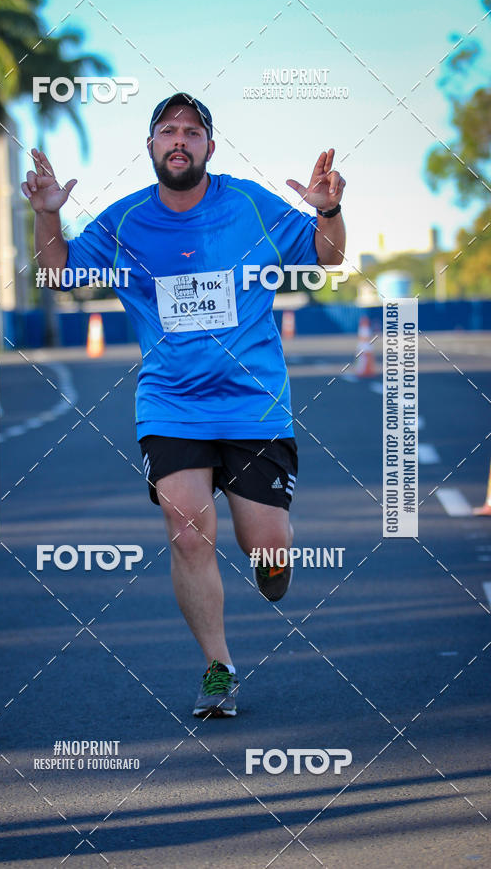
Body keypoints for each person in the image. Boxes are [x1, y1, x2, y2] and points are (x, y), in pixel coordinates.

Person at [21, 92, 346, 718]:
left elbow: (326, 257)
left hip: (254, 406)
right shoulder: (124, 223)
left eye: (191, 132)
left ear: (209, 147)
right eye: (166, 131)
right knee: (189, 532)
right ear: (149, 147)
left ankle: (273, 563)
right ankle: (218, 669)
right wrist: (46, 216)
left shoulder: (250, 206)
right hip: (171, 405)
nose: (178, 140)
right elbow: (58, 272)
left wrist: (328, 208)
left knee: (267, 549)